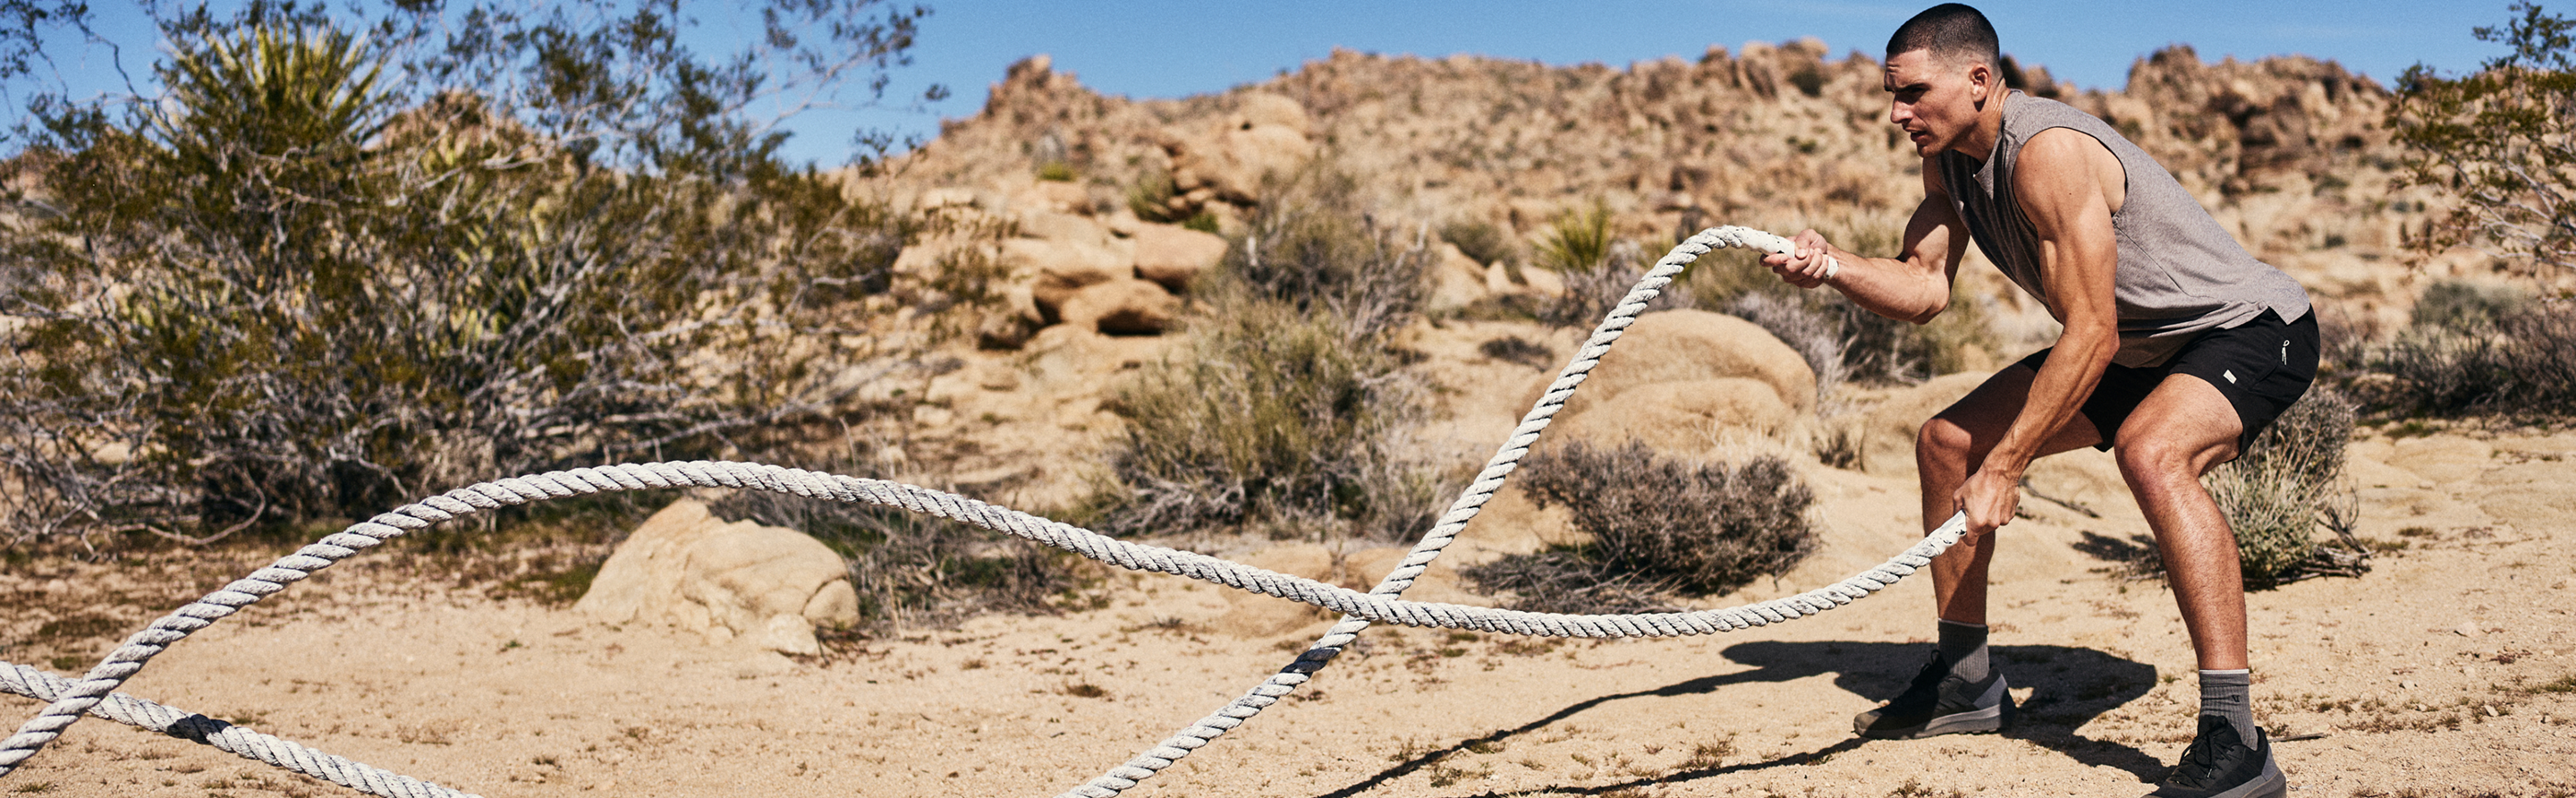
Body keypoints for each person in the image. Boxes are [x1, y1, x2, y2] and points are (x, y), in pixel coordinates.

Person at [1758, 4, 2314, 797]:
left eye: (1913, 93)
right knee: (1948, 443)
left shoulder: (2047, 154)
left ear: (1980, 80)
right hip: (2134, 343)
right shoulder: (1948, 160)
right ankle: (1968, 684)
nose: (1896, 113)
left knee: (2152, 453)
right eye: (1891, 95)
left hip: (2246, 329)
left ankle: (2236, 739)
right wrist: (1832, 266)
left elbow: (2089, 332)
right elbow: (1922, 290)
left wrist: (2009, 464)